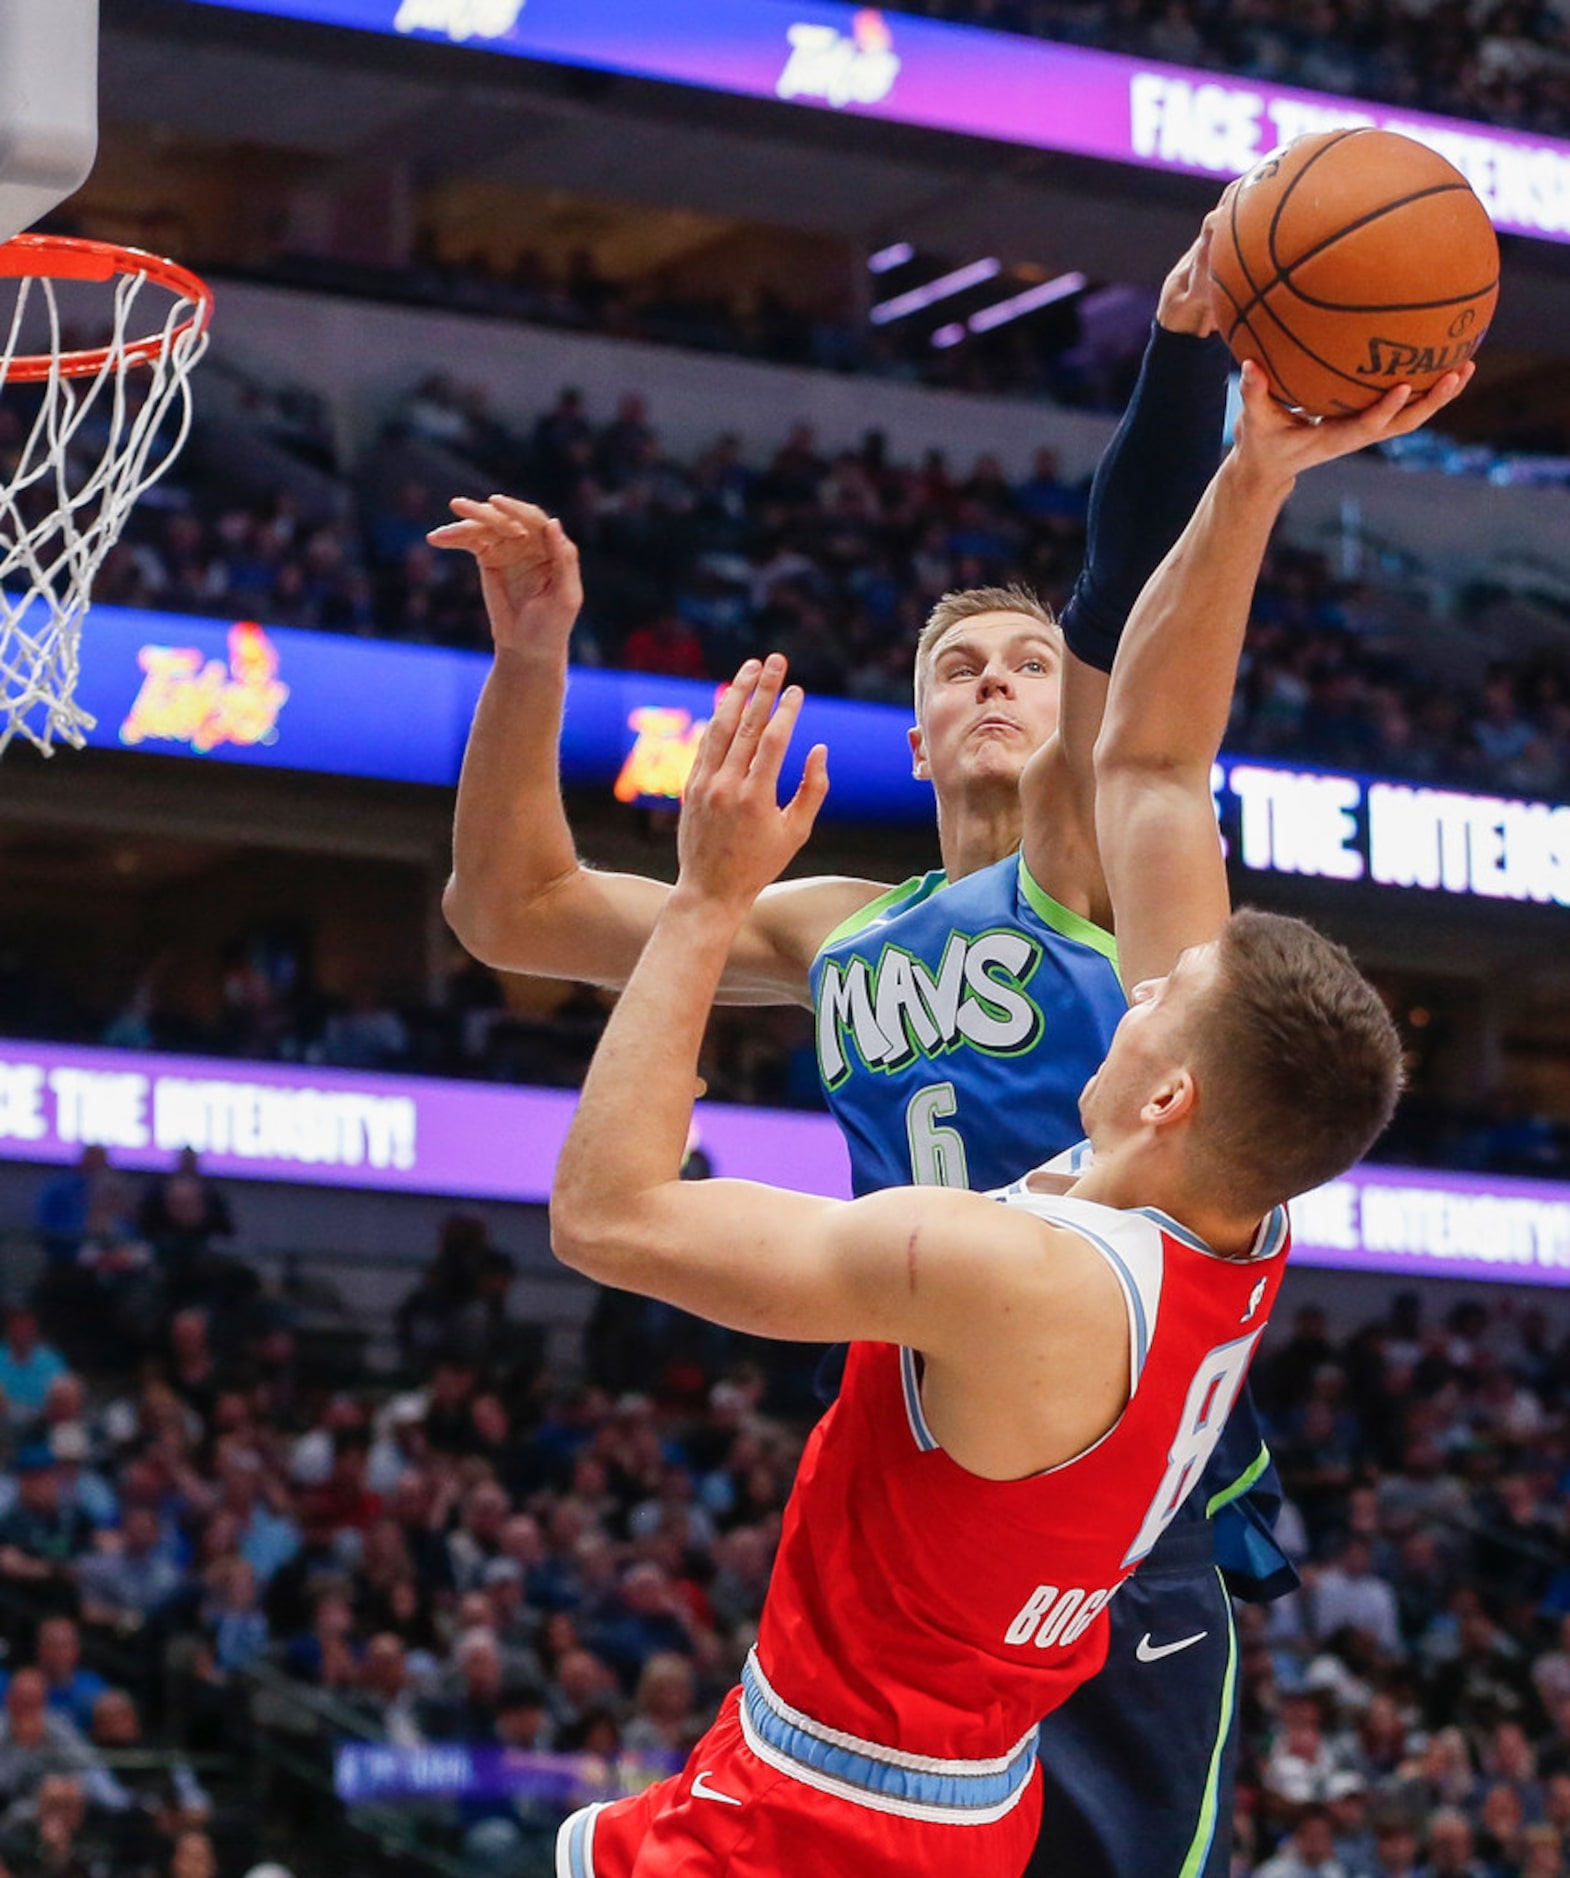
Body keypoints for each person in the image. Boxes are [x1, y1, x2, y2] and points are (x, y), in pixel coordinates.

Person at [435, 221, 1296, 1876]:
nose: (992, 680)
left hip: (1109, 1494)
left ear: (1076, 709)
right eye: (955, 665)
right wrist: (530, 655)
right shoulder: (836, 923)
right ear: (908, 731)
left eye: (1027, 664)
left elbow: (1126, 632)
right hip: (926, 1474)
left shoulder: (1098, 867)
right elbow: (511, 905)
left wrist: (1181, 357)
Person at [544, 358, 1462, 1873]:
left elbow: (606, 1214)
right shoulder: (1226, 1206)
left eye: (1161, 994)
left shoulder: (1005, 1270)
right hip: (941, 1778)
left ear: (1166, 1085)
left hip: (841, 1807)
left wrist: (706, 899)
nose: (1136, 978)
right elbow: (1155, 765)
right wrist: (1250, 473)